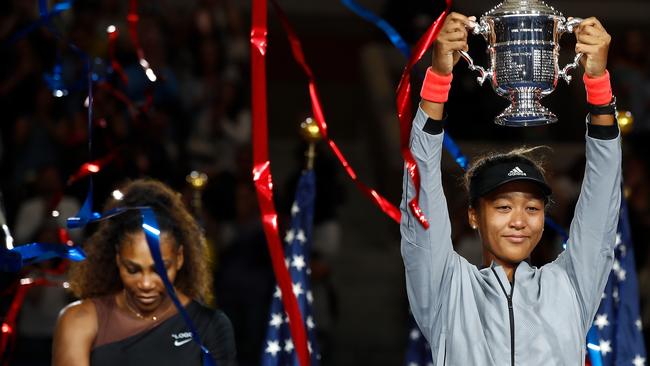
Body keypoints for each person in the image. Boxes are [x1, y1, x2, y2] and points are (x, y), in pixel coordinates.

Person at [401, 13, 620, 365]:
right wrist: (439, 77)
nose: (519, 220)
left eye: (532, 208)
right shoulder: (446, 288)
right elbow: (421, 186)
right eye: (503, 207)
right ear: (473, 215)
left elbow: (602, 200)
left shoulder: (571, 284)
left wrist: (598, 85)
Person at [52, 179, 236, 365]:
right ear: (118, 258)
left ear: (179, 258)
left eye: (160, 270)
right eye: (133, 270)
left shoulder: (210, 326)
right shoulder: (79, 320)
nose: (146, 283)